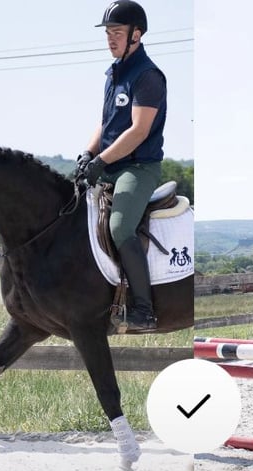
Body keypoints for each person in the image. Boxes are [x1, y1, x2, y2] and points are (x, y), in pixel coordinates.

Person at [76, 0, 167, 331]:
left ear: (136, 35)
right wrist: (88, 153)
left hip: (137, 168)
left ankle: (144, 309)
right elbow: (107, 123)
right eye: (108, 33)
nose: (110, 39)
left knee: (119, 228)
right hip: (109, 162)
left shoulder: (148, 76)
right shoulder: (113, 73)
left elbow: (138, 131)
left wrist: (101, 160)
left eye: (117, 32)